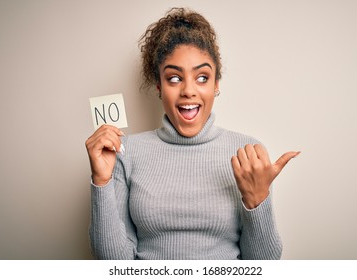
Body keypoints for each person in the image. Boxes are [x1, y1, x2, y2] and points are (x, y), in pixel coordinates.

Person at [85, 7, 299, 260]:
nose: (188, 90)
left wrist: (257, 201)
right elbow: (114, 265)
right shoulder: (124, 151)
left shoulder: (248, 153)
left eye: (202, 77)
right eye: (174, 78)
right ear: (159, 86)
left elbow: (262, 266)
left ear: (216, 84)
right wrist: (101, 181)